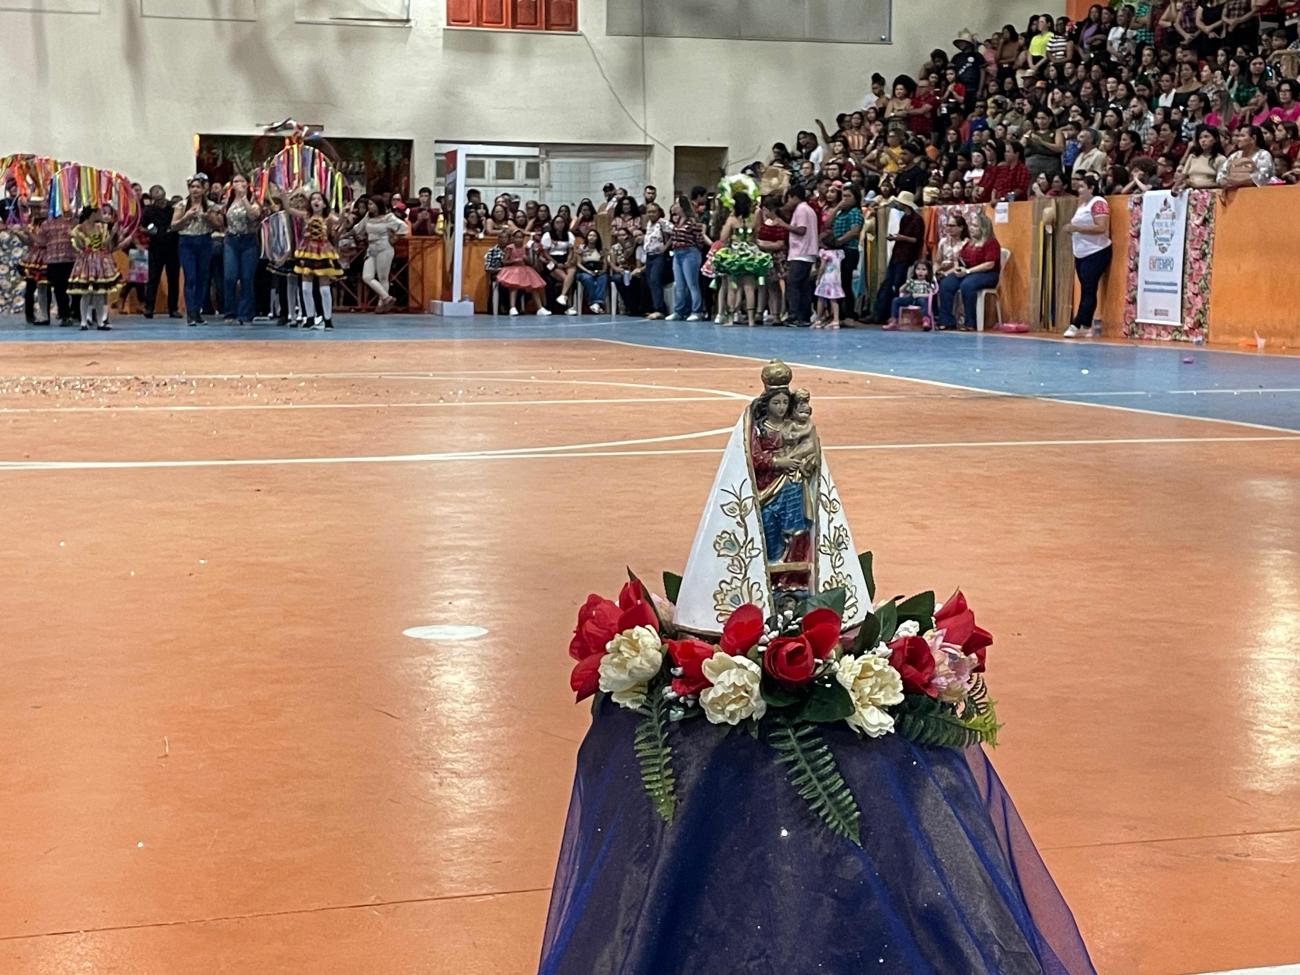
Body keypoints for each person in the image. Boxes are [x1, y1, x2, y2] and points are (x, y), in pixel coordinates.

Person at [712, 192, 773, 328]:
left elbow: (723, 238)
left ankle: (730, 318)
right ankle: (751, 319)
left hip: (734, 255)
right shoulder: (753, 219)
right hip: (750, 254)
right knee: (749, 288)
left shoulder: (732, 220)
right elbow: (757, 234)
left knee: (732, 287)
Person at [1062, 173, 1111, 339]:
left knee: (1088, 289)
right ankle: (1087, 325)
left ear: (1091, 188)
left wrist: (1077, 229)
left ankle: (1076, 324)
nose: (1079, 189)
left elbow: (1101, 227)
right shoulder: (1082, 205)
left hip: (1096, 251)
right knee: (1087, 289)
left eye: (1082, 186)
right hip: (1081, 253)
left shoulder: (1098, 203)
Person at [934, 212, 1002, 331]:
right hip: (969, 272)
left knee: (967, 285)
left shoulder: (991, 243)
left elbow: (989, 264)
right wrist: (957, 269)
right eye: (971, 225)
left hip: (988, 274)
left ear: (983, 228)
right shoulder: (969, 244)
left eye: (975, 226)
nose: (971, 228)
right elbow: (960, 260)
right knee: (946, 283)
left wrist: (968, 271)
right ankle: (946, 321)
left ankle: (970, 322)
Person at [286, 189, 343, 330]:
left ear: (324, 204)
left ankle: (328, 319)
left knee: (324, 288)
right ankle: (310, 318)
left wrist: (344, 213)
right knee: (306, 288)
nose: (316, 201)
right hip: (307, 252)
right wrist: (285, 198)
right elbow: (289, 210)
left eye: (319, 199)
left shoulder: (329, 217)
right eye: (313, 199)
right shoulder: (306, 216)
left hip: (323, 252)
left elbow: (340, 222)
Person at [173, 175, 222, 326]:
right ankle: (190, 313)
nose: (195, 190)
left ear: (203, 189)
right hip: (187, 242)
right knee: (190, 278)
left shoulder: (210, 206)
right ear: (188, 189)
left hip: (204, 241)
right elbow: (173, 226)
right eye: (192, 187)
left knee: (202, 278)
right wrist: (186, 217)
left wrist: (209, 218)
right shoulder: (181, 205)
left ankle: (197, 311)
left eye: (198, 187)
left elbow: (219, 225)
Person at [871, 191, 925, 323]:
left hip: (907, 256)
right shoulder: (904, 218)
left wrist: (901, 238)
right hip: (898, 254)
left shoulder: (917, 220)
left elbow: (916, 240)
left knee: (897, 284)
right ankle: (880, 314)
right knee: (887, 284)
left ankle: (893, 315)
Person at [68, 204, 124, 331]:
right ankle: (83, 321)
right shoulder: (79, 229)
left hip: (99, 260)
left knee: (99, 293)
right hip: (86, 261)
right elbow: (80, 247)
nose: (101, 214)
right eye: (99, 212)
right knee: (86, 293)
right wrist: (76, 237)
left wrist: (112, 234)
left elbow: (105, 244)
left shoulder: (101, 227)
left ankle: (100, 322)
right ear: (92, 214)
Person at [351, 196, 409, 312]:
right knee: (367, 277)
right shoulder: (368, 217)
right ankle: (386, 298)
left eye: (371, 204)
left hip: (384, 247)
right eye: (369, 204)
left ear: (378, 205)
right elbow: (358, 228)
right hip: (371, 248)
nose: (369, 207)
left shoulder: (389, 217)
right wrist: (345, 232)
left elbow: (403, 227)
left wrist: (394, 238)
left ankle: (382, 304)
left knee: (383, 277)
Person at [218, 174, 261, 327]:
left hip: (248, 240)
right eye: (235, 181)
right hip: (231, 240)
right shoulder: (228, 200)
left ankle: (246, 314)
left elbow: (253, 216)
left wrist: (244, 198)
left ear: (247, 184)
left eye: (242, 181)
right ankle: (229, 312)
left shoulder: (254, 200)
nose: (238, 184)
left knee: (246, 278)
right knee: (229, 277)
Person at [140, 184, 179, 319]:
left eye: (161, 199)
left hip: (173, 247)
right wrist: (149, 231)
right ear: (152, 198)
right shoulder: (148, 210)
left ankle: (173, 309)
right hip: (155, 248)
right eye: (157, 200)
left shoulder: (173, 208)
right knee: (153, 279)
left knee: (173, 279)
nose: (160, 202)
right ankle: (149, 308)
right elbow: (141, 227)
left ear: (165, 194)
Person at [783, 184, 818, 328]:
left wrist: (783, 224)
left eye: (789, 199)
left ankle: (794, 315)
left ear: (794, 197)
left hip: (800, 253)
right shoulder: (809, 209)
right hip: (807, 253)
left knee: (793, 285)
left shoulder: (801, 209)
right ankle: (804, 316)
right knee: (803, 286)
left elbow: (801, 230)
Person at [667, 200, 707, 321]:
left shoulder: (692, 222)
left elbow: (699, 239)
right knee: (679, 284)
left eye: (677, 204)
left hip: (689, 253)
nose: (675, 206)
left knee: (692, 284)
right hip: (677, 253)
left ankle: (697, 311)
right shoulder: (677, 221)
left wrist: (694, 250)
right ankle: (679, 311)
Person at [497, 228, 550, 316]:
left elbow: (530, 263)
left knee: (534, 287)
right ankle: (512, 307)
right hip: (513, 270)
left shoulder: (526, 248)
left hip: (525, 269)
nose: (519, 239)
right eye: (517, 237)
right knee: (513, 286)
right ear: (513, 238)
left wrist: (526, 258)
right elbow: (504, 262)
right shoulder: (510, 248)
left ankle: (540, 308)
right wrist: (515, 260)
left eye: (521, 237)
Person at [14, 198, 50, 325]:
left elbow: (41, 241)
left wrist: (28, 233)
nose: (37, 211)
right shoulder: (32, 223)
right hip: (33, 258)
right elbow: (29, 242)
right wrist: (19, 234)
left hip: (45, 256)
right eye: (34, 208)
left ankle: (45, 315)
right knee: (31, 287)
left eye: (39, 208)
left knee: (45, 286)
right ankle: (30, 314)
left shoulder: (48, 224)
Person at [886, 258, 939, 330]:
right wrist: (907, 283)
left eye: (923, 269)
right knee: (895, 300)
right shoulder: (912, 282)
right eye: (918, 269)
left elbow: (930, 294)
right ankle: (894, 320)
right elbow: (901, 290)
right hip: (911, 298)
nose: (920, 271)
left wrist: (919, 295)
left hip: (922, 299)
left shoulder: (928, 283)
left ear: (928, 272)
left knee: (923, 302)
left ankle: (926, 320)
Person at [1175, 124, 1229, 189]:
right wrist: (1176, 186)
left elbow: (1222, 183)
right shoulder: (1193, 157)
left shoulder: (1220, 159)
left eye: (1206, 137)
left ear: (1215, 139)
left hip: (1211, 192)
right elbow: (1183, 175)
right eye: (1200, 138)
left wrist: (1201, 185)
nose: (1203, 140)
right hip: (1190, 191)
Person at [607, 225, 643, 316]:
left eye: (623, 235)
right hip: (619, 270)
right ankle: (629, 306)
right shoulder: (615, 247)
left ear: (628, 235)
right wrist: (618, 269)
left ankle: (635, 307)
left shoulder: (633, 245)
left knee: (633, 280)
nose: (621, 237)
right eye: (619, 235)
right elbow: (612, 263)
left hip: (633, 270)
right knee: (619, 279)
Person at [811, 231, 844, 329]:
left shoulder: (824, 253)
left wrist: (818, 278)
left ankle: (818, 319)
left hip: (826, 278)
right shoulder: (839, 253)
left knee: (820, 298)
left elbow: (822, 267)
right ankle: (836, 320)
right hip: (836, 279)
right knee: (834, 300)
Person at [575, 229, 608, 314]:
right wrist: (588, 271)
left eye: (594, 236)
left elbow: (605, 264)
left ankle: (597, 302)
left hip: (598, 270)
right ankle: (594, 303)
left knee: (603, 278)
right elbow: (578, 263)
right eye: (590, 235)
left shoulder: (601, 250)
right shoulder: (582, 248)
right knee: (588, 278)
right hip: (584, 271)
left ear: (597, 238)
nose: (592, 237)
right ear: (587, 237)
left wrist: (602, 271)